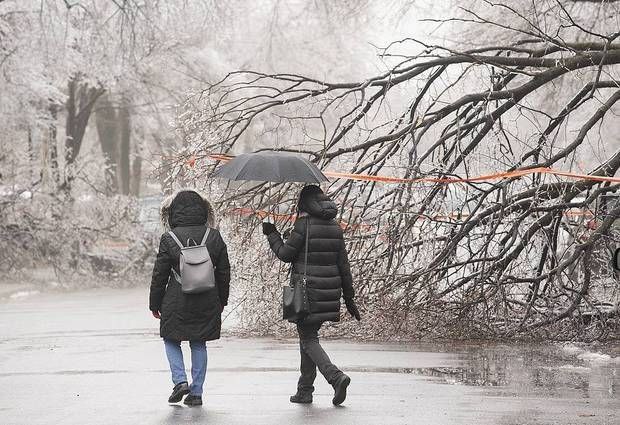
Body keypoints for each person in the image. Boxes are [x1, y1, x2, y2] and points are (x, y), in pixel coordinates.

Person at [262, 185, 361, 406]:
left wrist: (272, 234)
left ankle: (336, 378)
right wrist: (349, 298)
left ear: (303, 204)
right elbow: (343, 265)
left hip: (307, 292)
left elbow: (286, 254)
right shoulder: (335, 227)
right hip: (328, 292)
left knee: (308, 338)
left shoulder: (303, 225)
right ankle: (305, 390)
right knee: (307, 338)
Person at [149, 189, 230, 407]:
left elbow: (160, 274)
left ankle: (180, 381)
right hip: (207, 298)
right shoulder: (213, 236)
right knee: (199, 342)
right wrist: (222, 300)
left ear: (174, 212)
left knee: (171, 338)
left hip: (176, 299)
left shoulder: (169, 238)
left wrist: (154, 304)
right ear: (203, 210)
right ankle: (196, 393)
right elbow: (223, 272)